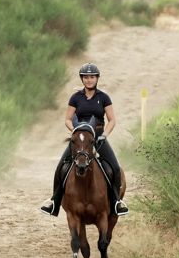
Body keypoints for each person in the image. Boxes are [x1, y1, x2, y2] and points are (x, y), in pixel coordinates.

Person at [40, 62, 129, 217]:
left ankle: (116, 202)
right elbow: (68, 119)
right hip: (80, 139)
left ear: (97, 78)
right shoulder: (75, 98)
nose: (89, 80)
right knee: (61, 167)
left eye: (92, 77)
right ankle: (54, 201)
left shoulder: (104, 97)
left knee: (115, 167)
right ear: (82, 79)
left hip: (98, 138)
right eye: (86, 77)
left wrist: (104, 135)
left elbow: (112, 120)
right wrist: (75, 131)